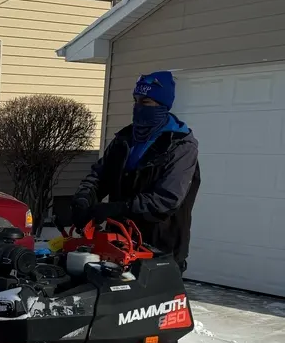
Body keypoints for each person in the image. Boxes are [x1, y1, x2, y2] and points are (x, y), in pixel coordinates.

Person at [72, 71, 200, 270]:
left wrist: (119, 207)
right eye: (136, 100)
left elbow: (166, 199)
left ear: (162, 105)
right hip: (118, 243)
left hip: (159, 247)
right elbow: (100, 175)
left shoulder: (180, 146)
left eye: (146, 102)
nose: (138, 107)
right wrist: (84, 198)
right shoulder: (124, 139)